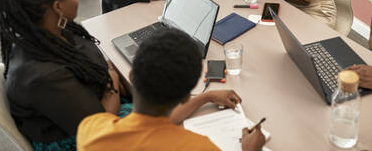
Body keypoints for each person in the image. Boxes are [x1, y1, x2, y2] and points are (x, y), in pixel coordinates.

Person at [0, 0, 242, 150]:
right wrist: (111, 84)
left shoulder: (46, 32)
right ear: (57, 7)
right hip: (76, 140)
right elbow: (107, 124)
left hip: (96, 118)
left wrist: (206, 96)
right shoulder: (43, 77)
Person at [77, 28, 266, 151]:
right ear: (185, 96)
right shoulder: (201, 147)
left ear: (132, 76)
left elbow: (155, 121)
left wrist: (206, 97)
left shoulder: (90, 129)